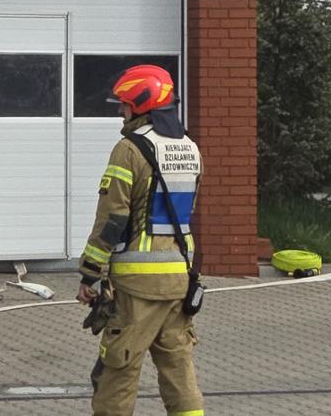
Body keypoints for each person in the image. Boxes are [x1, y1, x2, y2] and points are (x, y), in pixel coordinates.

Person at [77, 65, 205, 416]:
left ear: (140, 104)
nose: (120, 110)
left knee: (117, 370)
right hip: (181, 277)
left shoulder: (129, 149)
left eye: (124, 104)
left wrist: (90, 273)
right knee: (179, 371)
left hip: (138, 285)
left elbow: (113, 219)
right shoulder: (190, 148)